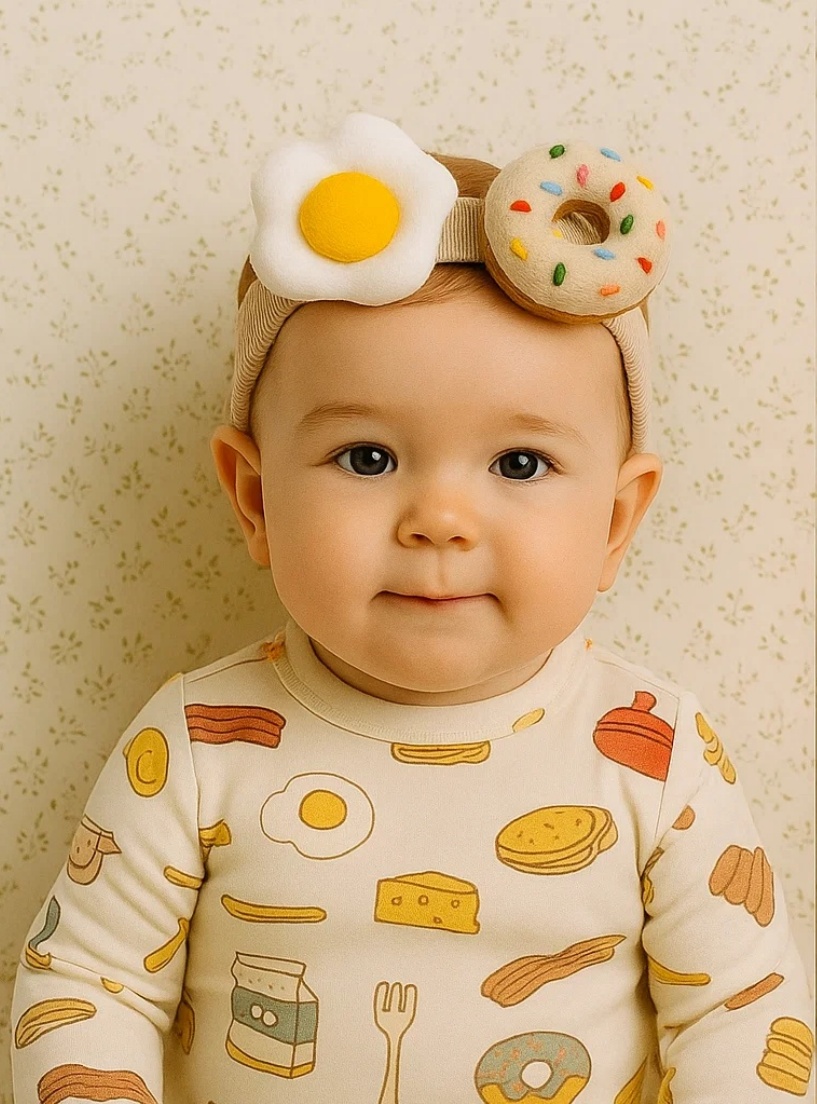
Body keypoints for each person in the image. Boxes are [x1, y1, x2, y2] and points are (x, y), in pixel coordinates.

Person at [11, 112, 814, 1104]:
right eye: (367, 457)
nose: (439, 519)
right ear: (255, 498)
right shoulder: (198, 745)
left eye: (520, 463)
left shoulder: (652, 753)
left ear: (615, 519)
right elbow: (87, 987)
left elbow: (742, 1015)